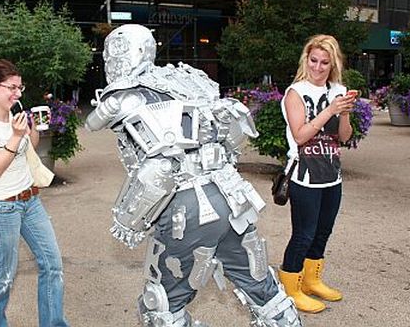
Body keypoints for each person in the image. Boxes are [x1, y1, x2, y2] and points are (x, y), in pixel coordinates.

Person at [85, 25, 301, 327]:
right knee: (262, 289)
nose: (111, 60)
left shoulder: (125, 95)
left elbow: (157, 168)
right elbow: (229, 137)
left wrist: (128, 221)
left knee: (161, 308)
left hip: (186, 208)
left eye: (114, 53)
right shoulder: (188, 81)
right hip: (230, 198)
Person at [0, 59, 69, 327]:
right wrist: (14, 136)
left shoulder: (17, 113)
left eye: (20, 88)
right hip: (3, 208)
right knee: (4, 274)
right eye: (11, 87)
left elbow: (31, 147)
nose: (17, 93)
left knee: (52, 265)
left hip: (30, 200)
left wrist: (30, 130)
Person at [278, 34, 356, 313]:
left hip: (332, 174)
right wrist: (330, 110)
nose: (319, 67)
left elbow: (344, 137)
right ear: (306, 60)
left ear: (333, 63)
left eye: (325, 62)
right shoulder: (295, 93)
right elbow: (300, 136)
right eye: (314, 60)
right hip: (304, 176)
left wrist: (344, 112)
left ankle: (311, 281)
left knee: (323, 232)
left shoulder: (339, 89)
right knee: (303, 234)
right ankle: (290, 287)